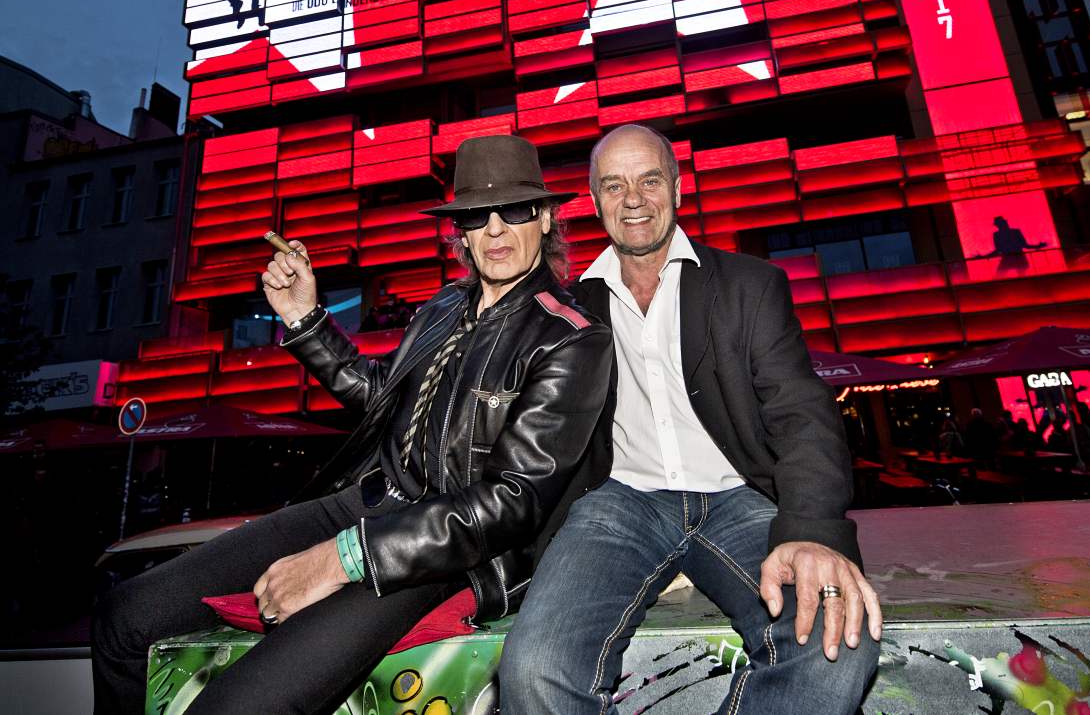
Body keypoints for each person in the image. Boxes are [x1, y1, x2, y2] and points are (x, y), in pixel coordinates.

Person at [91, 136, 613, 714]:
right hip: (361, 505)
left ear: (545, 218)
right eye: (475, 215)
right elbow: (380, 399)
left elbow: (510, 502)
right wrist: (304, 319)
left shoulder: (571, 338)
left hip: (442, 549)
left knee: (236, 707)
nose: (494, 230)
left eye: (513, 211)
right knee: (124, 620)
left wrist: (343, 558)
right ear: (459, 232)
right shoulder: (442, 307)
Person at [500, 124, 881, 714]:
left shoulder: (750, 285)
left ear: (677, 189)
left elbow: (801, 413)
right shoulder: (567, 309)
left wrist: (811, 530)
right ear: (595, 201)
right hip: (619, 504)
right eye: (614, 185)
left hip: (737, 498)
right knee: (535, 669)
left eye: (650, 180)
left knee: (835, 642)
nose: (633, 199)